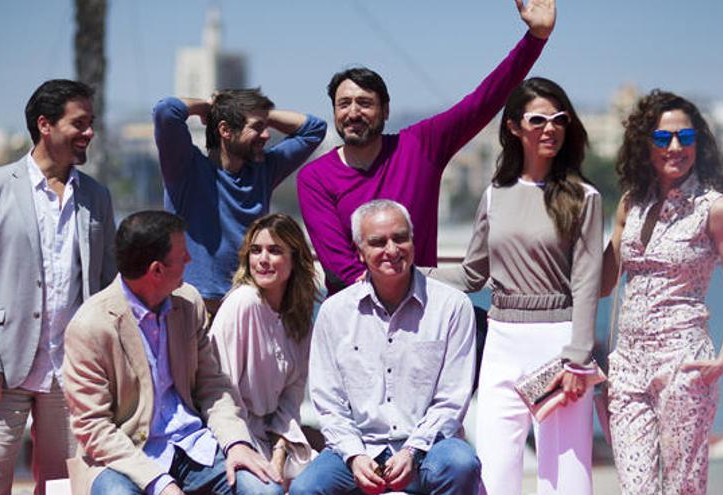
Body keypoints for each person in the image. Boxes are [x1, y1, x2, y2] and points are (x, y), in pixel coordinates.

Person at [297, 0, 556, 296]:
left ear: (386, 111)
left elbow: (483, 102)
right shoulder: (314, 178)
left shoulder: (419, 146)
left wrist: (535, 39)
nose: (353, 112)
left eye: (365, 103)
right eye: (344, 104)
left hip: (425, 311)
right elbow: (341, 266)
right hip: (356, 317)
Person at [425, 77, 602, 494]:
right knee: (494, 471)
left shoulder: (584, 197)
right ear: (514, 127)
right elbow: (473, 274)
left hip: (559, 349)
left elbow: (587, 282)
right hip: (502, 342)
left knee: (565, 478)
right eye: (538, 119)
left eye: (559, 120)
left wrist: (578, 359)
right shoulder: (494, 195)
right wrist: (410, 275)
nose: (550, 128)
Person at [0, 79, 116, 494]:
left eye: (91, 122)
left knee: (64, 485)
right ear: (45, 125)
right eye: (79, 123)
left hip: (72, 372)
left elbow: (105, 284)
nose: (90, 132)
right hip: (1, 369)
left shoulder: (97, 197)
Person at [62, 211, 283, 495]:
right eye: (182, 256)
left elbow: (213, 387)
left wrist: (236, 443)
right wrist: (160, 484)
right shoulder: (89, 326)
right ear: (157, 270)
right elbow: (93, 428)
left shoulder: (189, 303)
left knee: (266, 491)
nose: (190, 260)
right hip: (124, 456)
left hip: (195, 445)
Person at [601, 90, 723, 494]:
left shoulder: (714, 209)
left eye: (685, 139)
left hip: (683, 363)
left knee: (683, 487)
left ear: (697, 144)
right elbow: (604, 281)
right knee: (635, 488)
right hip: (628, 366)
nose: (674, 148)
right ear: (644, 145)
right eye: (662, 139)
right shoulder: (631, 202)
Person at [290, 200, 481, 495]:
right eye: (378, 242)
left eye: (400, 238)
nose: (391, 250)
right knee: (305, 489)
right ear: (360, 252)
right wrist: (355, 456)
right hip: (360, 449)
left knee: (461, 463)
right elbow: (329, 402)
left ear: (413, 242)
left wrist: (413, 450)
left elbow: (452, 398)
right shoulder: (334, 312)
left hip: (430, 449)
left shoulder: (452, 306)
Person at [153, 89, 326, 314]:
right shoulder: (186, 170)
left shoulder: (263, 172)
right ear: (225, 130)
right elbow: (165, 111)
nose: (266, 135)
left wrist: (262, 115)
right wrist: (208, 107)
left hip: (249, 308)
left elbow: (314, 129)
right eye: (256, 127)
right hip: (193, 312)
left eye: (265, 127)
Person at [210, 213, 320, 487]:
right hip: (232, 434)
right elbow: (222, 392)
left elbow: (292, 398)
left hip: (275, 437)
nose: (262, 259)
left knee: (324, 482)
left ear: (295, 260)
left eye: (275, 251)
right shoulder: (243, 303)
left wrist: (279, 454)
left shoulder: (300, 317)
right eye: (255, 251)